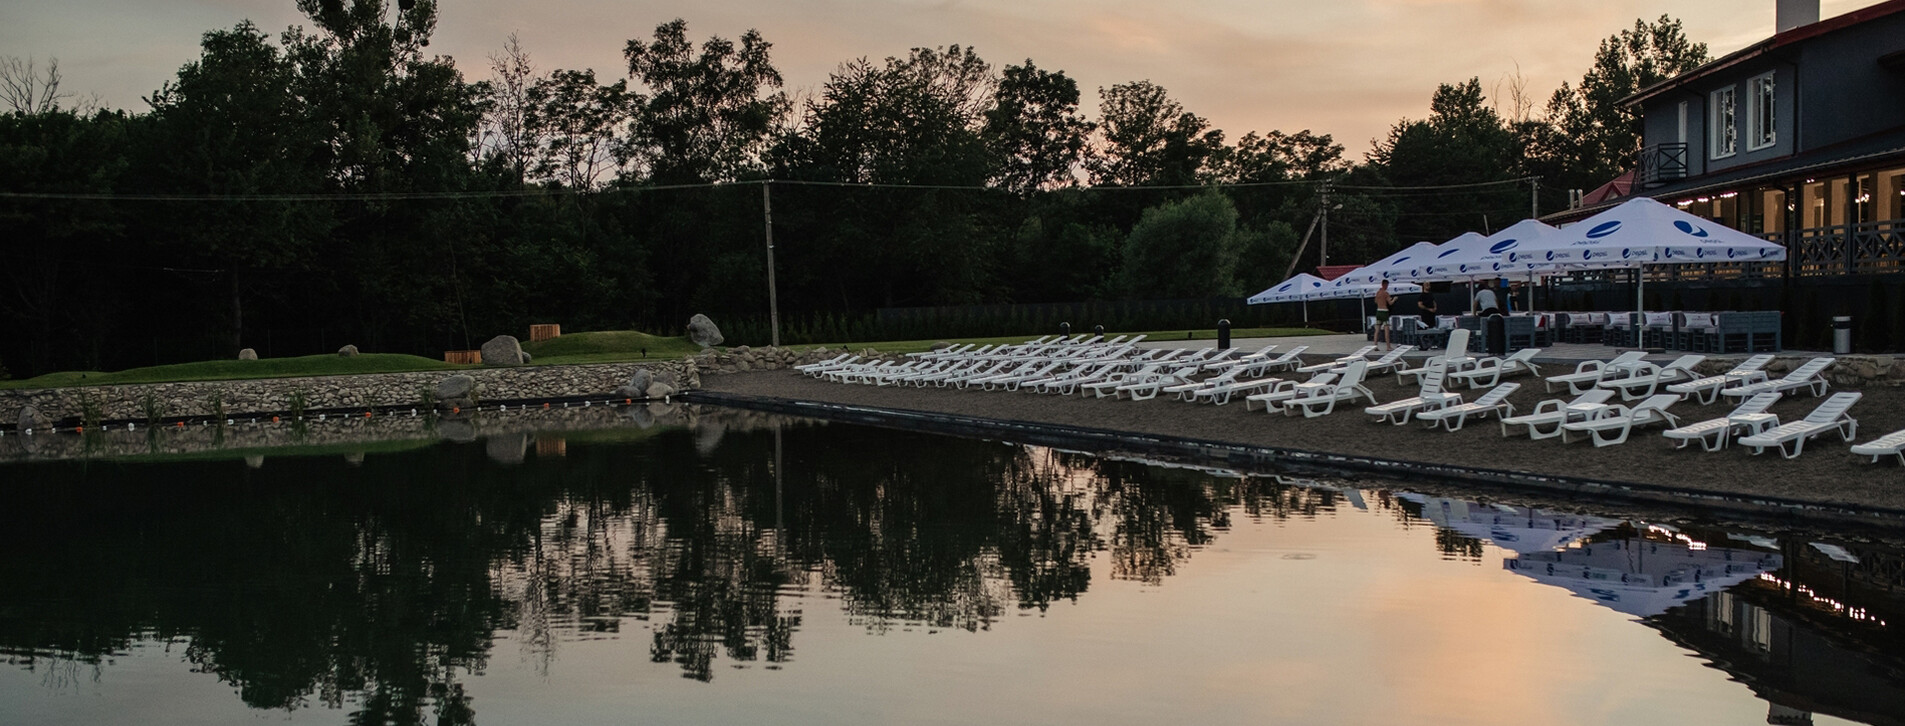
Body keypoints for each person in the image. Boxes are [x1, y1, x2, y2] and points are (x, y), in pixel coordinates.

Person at [1374, 280, 1394, 351]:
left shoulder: (1378, 293)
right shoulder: (1386, 293)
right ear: (1385, 285)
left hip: (1378, 311)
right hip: (1384, 312)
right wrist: (1394, 299)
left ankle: (1375, 346)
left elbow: (1376, 301)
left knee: (1377, 330)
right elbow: (1390, 303)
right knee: (1386, 330)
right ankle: (1388, 346)